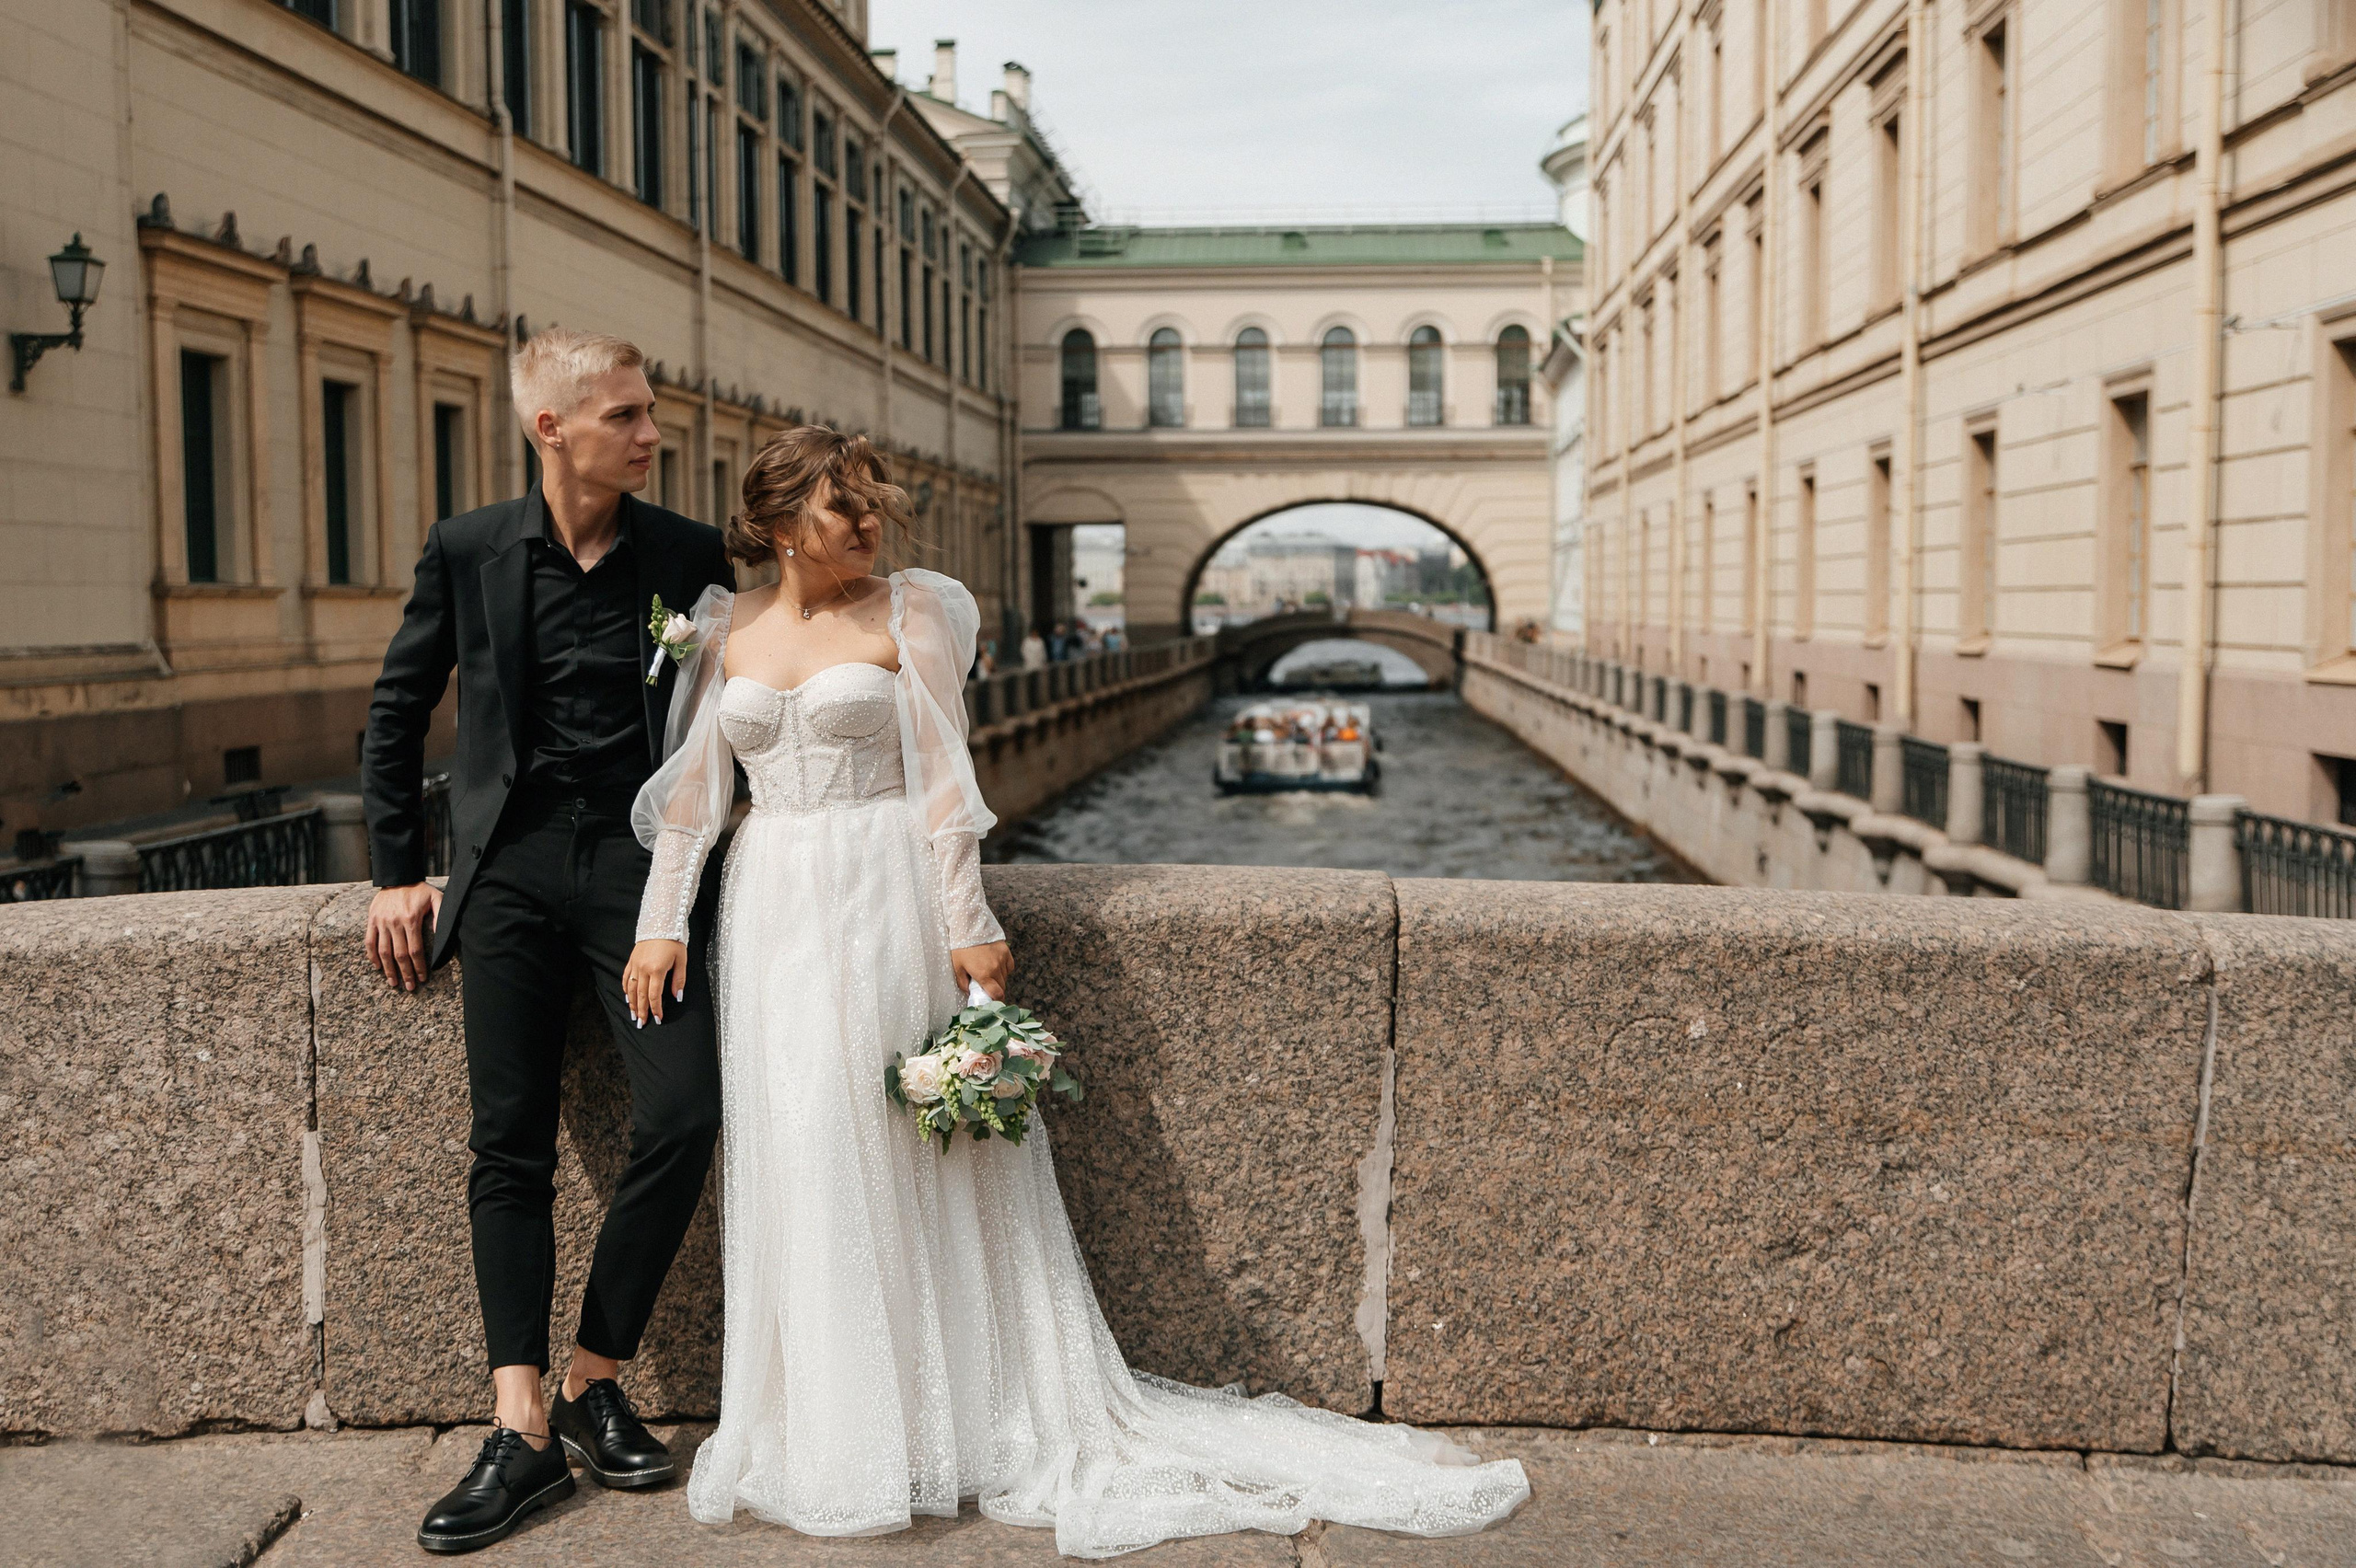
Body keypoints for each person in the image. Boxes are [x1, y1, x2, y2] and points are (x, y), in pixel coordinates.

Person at [621, 425, 1530, 1557]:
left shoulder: (915, 611)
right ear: (773, 520)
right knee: (800, 1144)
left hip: (883, 892)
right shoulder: (725, 626)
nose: (867, 522)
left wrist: (968, 924)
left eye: (872, 503)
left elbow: (949, 781)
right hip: (770, 912)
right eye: (841, 505)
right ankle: (831, 1428)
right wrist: (661, 925)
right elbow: (701, 798)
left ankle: (944, 1422)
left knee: (906, 1146)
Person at [360, 328, 733, 1555]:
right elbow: (400, 703)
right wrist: (394, 871)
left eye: (649, 410)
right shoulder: (470, 548)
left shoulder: (686, 554)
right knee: (505, 1142)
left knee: (683, 1111)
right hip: (510, 869)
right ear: (552, 428)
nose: (651, 432)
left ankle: (592, 1378)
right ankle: (520, 1429)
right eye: (626, 414)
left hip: (639, 872)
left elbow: (726, 714)